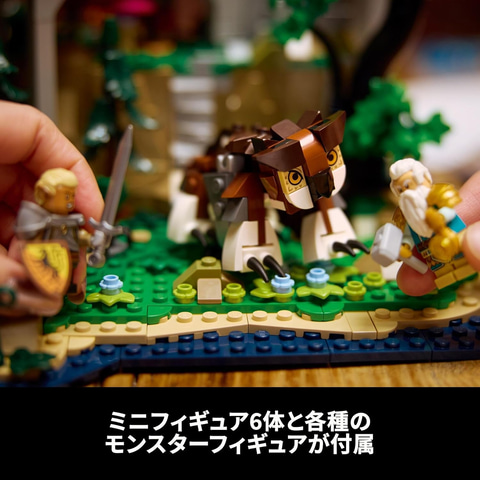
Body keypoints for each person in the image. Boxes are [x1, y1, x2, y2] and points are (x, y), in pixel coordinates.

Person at [0, 100, 103, 316]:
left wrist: (87, 239)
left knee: (71, 276)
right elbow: (32, 243)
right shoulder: (36, 218)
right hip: (46, 261)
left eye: (72, 196)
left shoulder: (69, 219)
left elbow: (75, 236)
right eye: (65, 196)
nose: (71, 201)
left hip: (67, 258)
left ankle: (70, 288)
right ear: (45, 194)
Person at [387, 160, 480, 296]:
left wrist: (440, 217)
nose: (406, 193)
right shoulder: (409, 217)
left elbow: (450, 211)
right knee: (443, 276)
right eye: (400, 190)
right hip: (432, 256)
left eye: (407, 185)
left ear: (422, 179)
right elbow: (408, 236)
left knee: (465, 263)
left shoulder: (438, 196)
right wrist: (405, 246)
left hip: (454, 240)